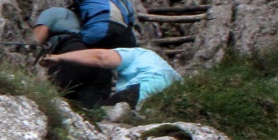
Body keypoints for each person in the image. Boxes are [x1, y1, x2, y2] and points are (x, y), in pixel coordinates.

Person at [39, 47, 181, 111]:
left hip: (139, 91)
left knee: (100, 118)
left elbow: (101, 57)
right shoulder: (174, 75)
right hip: (168, 105)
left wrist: (59, 57)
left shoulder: (139, 54)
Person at [31, 7, 115, 108]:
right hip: (98, 60)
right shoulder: (93, 23)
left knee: (50, 94)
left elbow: (35, 42)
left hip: (73, 51)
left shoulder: (53, 12)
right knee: (85, 109)